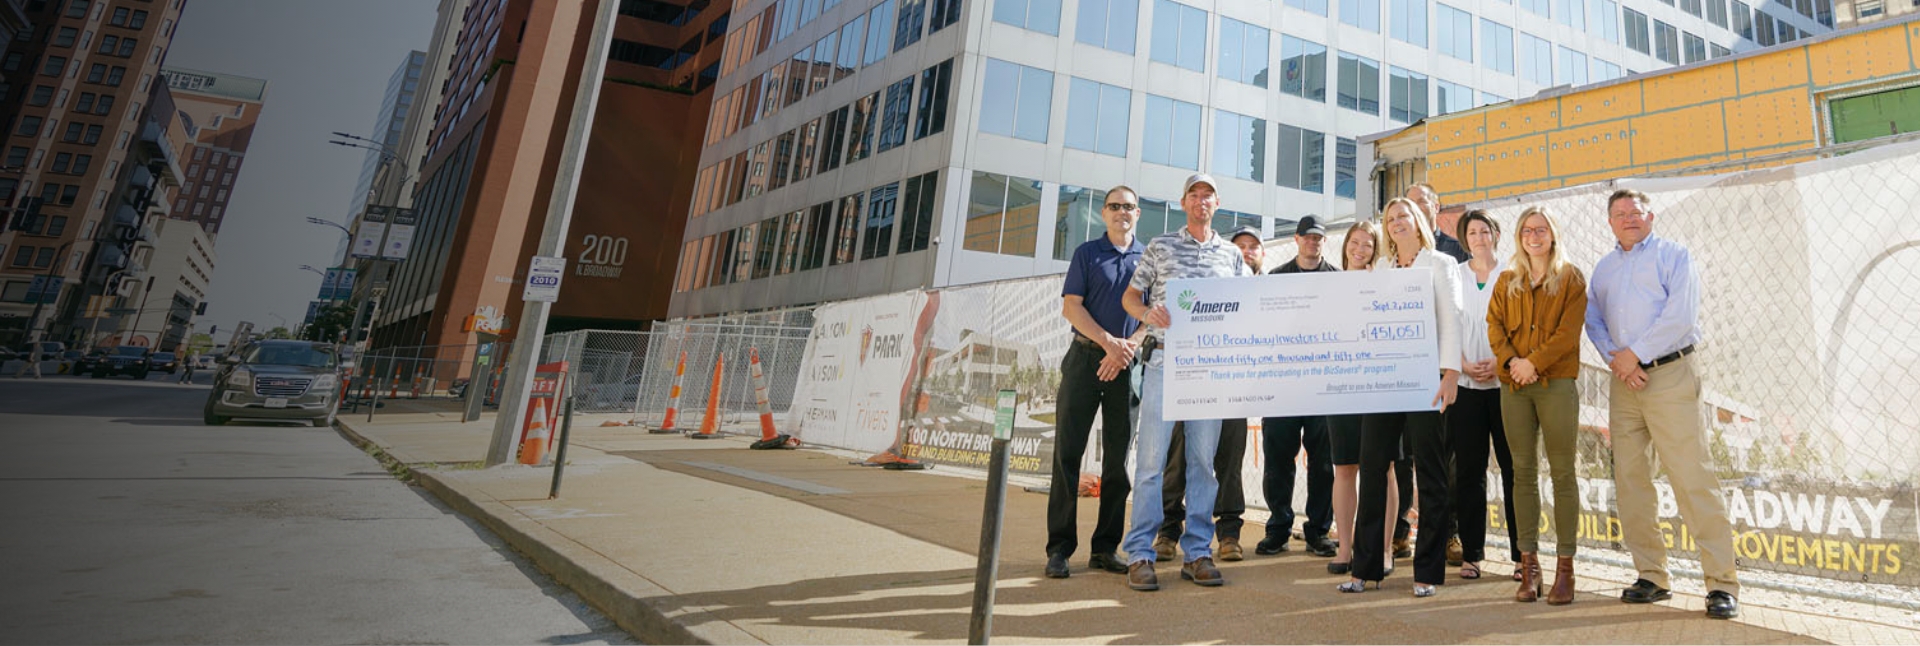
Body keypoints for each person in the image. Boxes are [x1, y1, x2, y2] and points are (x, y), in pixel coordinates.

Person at [1587, 189, 1739, 619]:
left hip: (1671, 373)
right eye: (1619, 214)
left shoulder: (1675, 255)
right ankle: (1652, 576)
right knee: (1632, 480)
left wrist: (1635, 353)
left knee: (1692, 477)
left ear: (1649, 216)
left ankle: (1721, 584)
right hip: (1624, 382)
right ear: (1610, 223)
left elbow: (1681, 314)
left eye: (1635, 212)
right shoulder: (1603, 269)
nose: (1628, 218)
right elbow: (1593, 320)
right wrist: (1618, 361)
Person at [1120, 173, 1248, 591]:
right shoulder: (1160, 246)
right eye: (1194, 194)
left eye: (1207, 195)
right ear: (1184, 203)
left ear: (1217, 204)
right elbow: (1130, 297)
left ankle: (1197, 552)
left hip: (1209, 370)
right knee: (1151, 465)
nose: (1201, 200)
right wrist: (1145, 315)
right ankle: (1139, 552)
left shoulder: (1231, 255)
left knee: (1202, 465)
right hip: (1163, 363)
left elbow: (1248, 305)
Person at [1342, 197, 1463, 598]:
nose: (1396, 223)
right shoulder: (1381, 267)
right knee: (1373, 467)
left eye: (1402, 217)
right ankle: (1366, 569)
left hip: (1426, 378)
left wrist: (1450, 374)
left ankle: (1426, 573)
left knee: (1430, 473)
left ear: (1419, 221)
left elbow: (1451, 319)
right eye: (1390, 219)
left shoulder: (1440, 264)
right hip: (1384, 380)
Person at [1486, 206, 1587, 603]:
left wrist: (1533, 363)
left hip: (1556, 383)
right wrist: (1513, 363)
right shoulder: (1507, 281)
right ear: (1519, 237)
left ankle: (1566, 569)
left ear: (1553, 234)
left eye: (1541, 229)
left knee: (1563, 473)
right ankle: (1529, 567)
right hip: (1515, 386)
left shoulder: (1570, 278)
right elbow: (1493, 326)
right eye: (1527, 230)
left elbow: (1568, 333)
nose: (1534, 235)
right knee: (1522, 473)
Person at [1044, 186, 1146, 579]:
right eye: (1115, 206)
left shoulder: (1147, 258)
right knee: (1067, 456)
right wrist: (1108, 344)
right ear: (1104, 213)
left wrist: (1127, 350)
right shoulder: (1087, 253)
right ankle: (1059, 550)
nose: (1122, 212)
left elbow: (1152, 313)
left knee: (1118, 464)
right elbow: (1072, 306)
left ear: (1138, 214)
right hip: (1085, 361)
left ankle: (1104, 549)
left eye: (1129, 207)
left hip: (1125, 368)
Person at [1155, 224, 1263, 564]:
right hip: (1190, 377)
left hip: (1233, 386)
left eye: (1253, 245)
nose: (1246, 250)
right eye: (1239, 245)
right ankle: (1169, 530)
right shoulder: (1203, 282)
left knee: (1228, 459)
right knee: (1178, 457)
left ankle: (1228, 533)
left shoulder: (1265, 292)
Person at [1448, 210, 1522, 583]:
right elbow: (1447, 325)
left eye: (1484, 230)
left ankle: (1521, 556)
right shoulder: (1456, 276)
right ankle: (1473, 553)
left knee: (1513, 470)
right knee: (1469, 473)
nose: (1478, 237)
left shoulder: (1511, 274)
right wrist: (1461, 364)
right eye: (1471, 232)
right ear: (1465, 239)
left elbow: (1519, 326)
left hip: (1504, 386)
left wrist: (1500, 362)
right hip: (1465, 387)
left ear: (1495, 234)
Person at [1257, 216, 1337, 557]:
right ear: (1297, 239)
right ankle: (1278, 527)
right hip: (1284, 386)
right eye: (1307, 237)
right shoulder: (1276, 279)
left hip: (1322, 386)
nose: (1313, 242)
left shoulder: (1338, 280)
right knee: (1278, 459)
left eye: (1318, 238)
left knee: (1323, 463)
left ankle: (1318, 530)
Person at [1326, 221, 1402, 575]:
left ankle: (1383, 550)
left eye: (1368, 244)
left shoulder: (1385, 284)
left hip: (1378, 387)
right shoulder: (1328, 285)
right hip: (1340, 388)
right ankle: (1344, 549)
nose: (1360, 249)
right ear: (1345, 247)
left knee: (1384, 469)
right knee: (1344, 467)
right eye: (1354, 243)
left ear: (1377, 249)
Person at [1406, 183, 1469, 263]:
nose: (1415, 207)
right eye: (1410, 203)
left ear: (1436, 207)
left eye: (1421, 201)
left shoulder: (1458, 249)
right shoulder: (1401, 251)